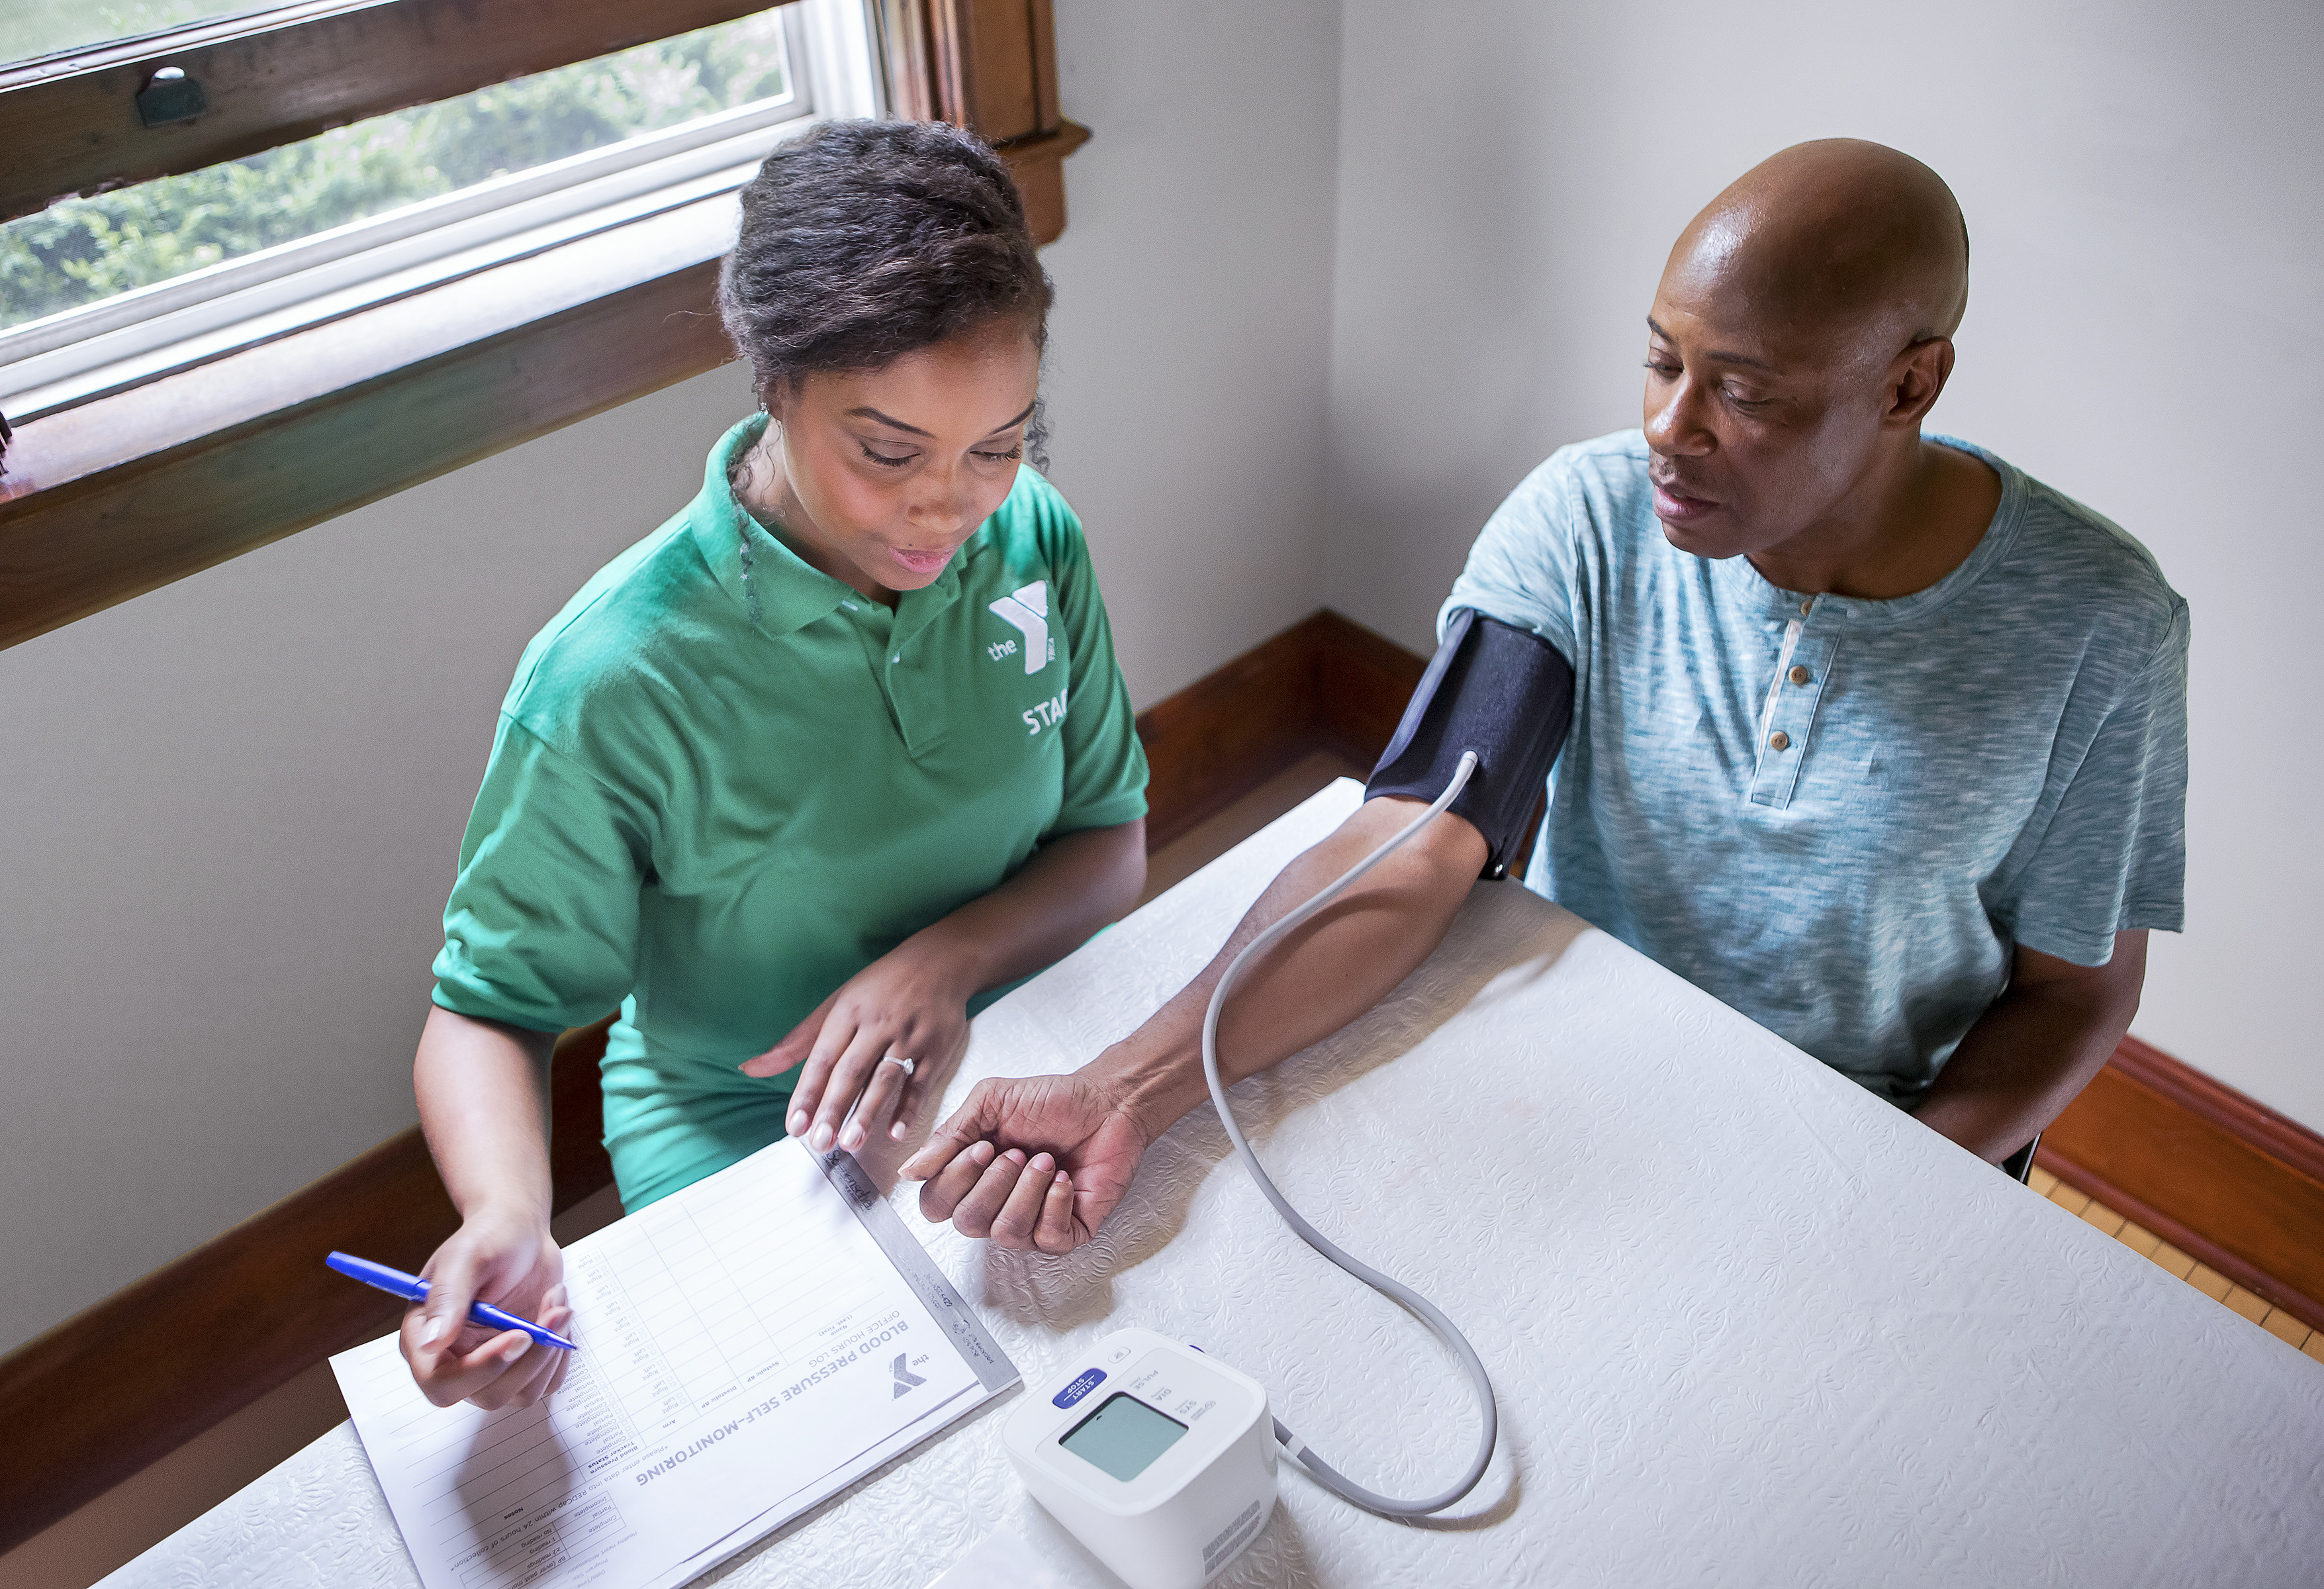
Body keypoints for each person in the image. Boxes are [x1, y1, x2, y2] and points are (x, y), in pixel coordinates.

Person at [900, 138, 2188, 1253]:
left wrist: (1886, 1200)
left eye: (1741, 393)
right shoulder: (1589, 519)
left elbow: (2075, 994)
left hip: (1874, 1143)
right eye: (1660, 361)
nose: (1670, 430)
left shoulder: (2101, 626)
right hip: (1582, 1078)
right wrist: (1126, 1088)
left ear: (1909, 383)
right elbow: (1409, 837)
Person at [402, 119, 1150, 1408]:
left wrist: (941, 963)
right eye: (888, 451)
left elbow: (1108, 841)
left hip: (1022, 1051)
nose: (953, 508)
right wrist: (509, 1212)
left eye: (999, 441)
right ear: (772, 382)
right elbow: (492, 1009)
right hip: (753, 1125)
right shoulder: (612, 678)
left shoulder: (1033, 540)